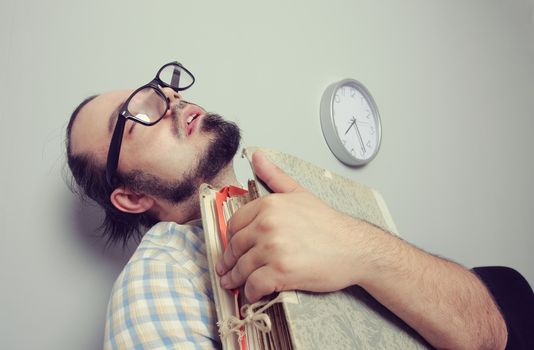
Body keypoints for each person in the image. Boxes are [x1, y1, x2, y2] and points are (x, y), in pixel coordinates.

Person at [66, 61, 507, 349]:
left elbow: (493, 333)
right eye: (136, 115)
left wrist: (357, 247)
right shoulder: (160, 273)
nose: (171, 100)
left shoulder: (313, 204)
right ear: (131, 197)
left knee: (507, 283)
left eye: (162, 91)